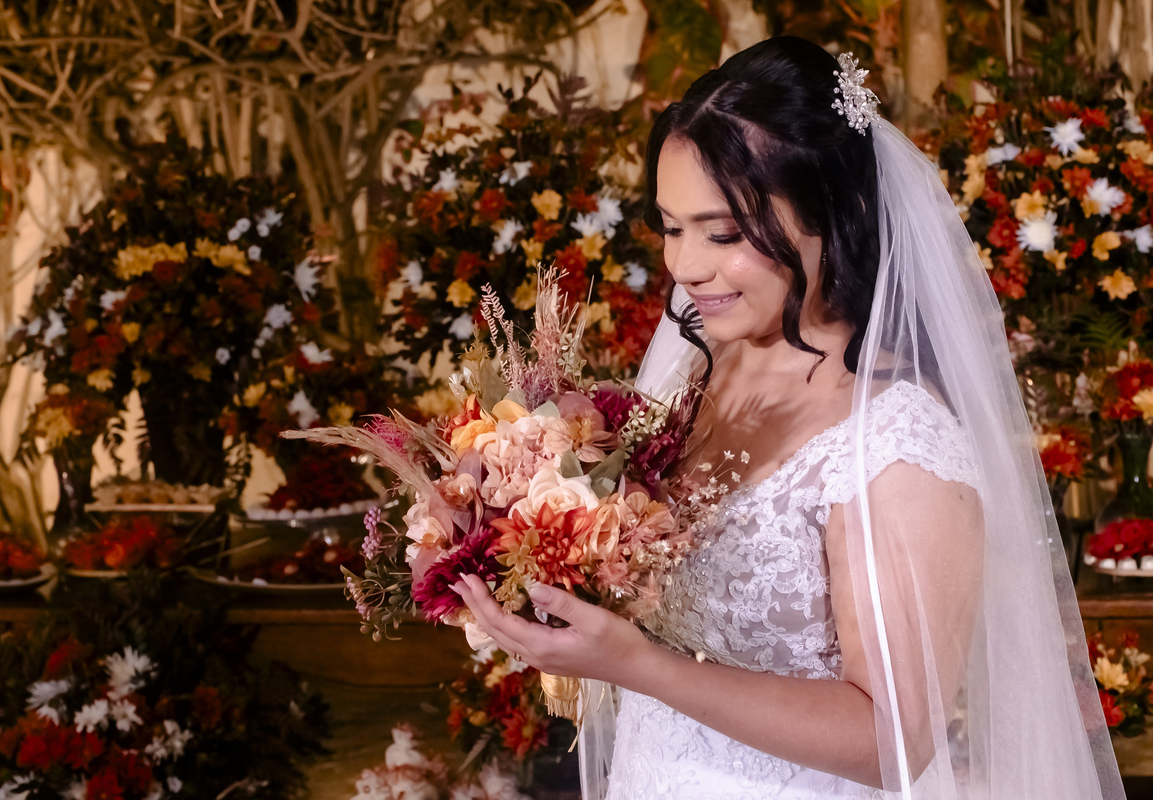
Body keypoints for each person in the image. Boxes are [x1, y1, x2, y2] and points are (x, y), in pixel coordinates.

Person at [454, 36, 1125, 799]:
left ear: (831, 212)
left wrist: (639, 666)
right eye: (672, 227)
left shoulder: (896, 447)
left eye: (723, 233)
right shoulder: (705, 369)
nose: (686, 266)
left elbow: (893, 743)